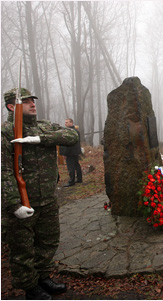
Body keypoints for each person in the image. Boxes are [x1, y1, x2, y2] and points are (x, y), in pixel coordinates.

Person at [1, 88, 79, 299]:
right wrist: (14, 205)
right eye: (26, 102)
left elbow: (71, 135)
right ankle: (30, 288)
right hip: (23, 203)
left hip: (47, 199)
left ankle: (43, 277)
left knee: (48, 242)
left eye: (32, 100)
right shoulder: (6, 132)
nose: (33, 104)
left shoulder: (44, 126)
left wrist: (39, 138)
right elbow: (4, 171)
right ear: (12, 106)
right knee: (23, 249)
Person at [59, 118, 82, 187]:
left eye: (67, 122)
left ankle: (71, 181)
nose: (66, 124)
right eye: (65, 122)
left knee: (71, 167)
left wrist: (64, 153)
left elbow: (67, 144)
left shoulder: (69, 132)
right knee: (77, 165)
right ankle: (79, 179)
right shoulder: (76, 131)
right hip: (75, 151)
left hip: (70, 152)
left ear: (71, 123)